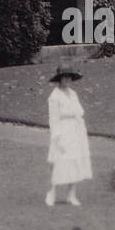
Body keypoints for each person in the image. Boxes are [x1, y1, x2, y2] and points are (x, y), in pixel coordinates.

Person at [45, 66, 92, 206]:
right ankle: (52, 192)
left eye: (69, 77)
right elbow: (53, 119)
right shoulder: (54, 96)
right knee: (59, 162)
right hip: (62, 131)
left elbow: (78, 113)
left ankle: (71, 195)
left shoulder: (73, 94)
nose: (67, 80)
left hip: (75, 131)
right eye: (64, 77)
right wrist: (57, 137)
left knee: (75, 162)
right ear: (59, 79)